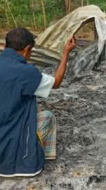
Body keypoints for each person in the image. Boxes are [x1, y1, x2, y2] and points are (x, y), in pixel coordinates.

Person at [0, 28, 76, 177]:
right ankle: (36, 156)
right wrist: (65, 53)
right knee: (47, 117)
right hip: (11, 159)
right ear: (27, 49)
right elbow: (57, 82)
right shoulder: (26, 73)